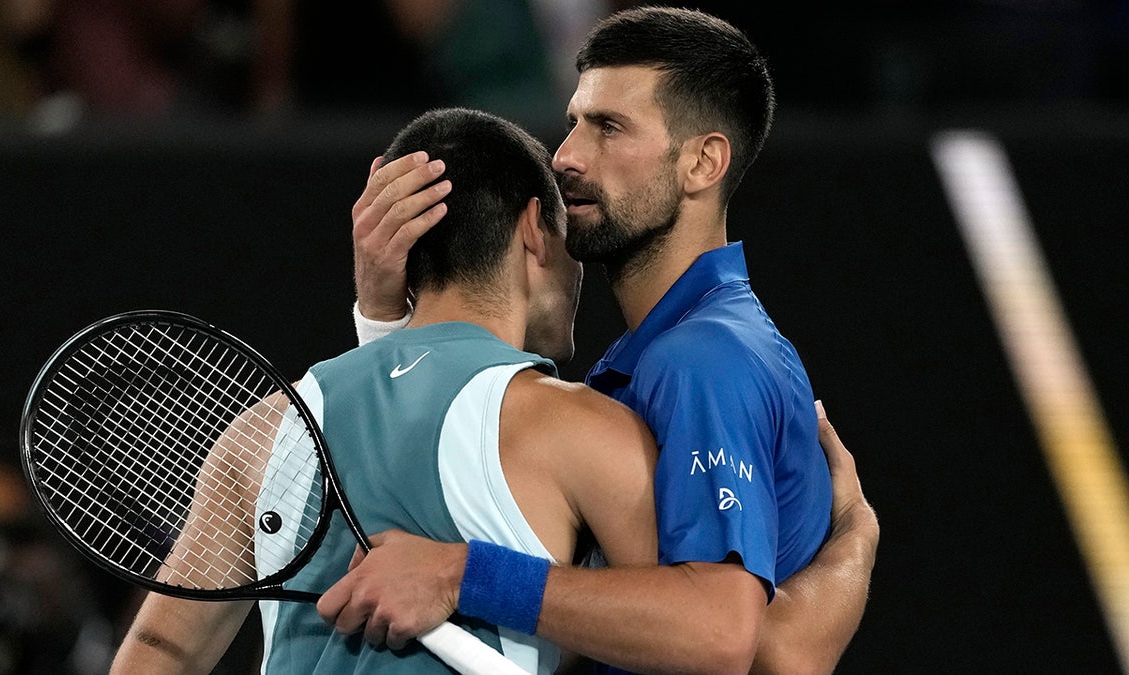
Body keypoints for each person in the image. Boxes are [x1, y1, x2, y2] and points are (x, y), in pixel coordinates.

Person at [319, 6, 879, 674]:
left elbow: (733, 638)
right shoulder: (655, 357)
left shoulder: (704, 359)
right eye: (576, 121)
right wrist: (382, 320)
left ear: (704, 162)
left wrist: (462, 573)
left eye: (610, 128)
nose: (566, 157)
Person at [109, 106, 662, 674]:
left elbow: (157, 653)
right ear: (532, 228)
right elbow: (683, 635)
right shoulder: (583, 427)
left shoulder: (262, 431)